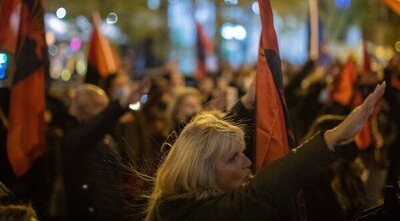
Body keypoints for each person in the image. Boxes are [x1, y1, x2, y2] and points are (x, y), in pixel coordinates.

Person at [145, 82, 386, 220]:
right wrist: (331, 138)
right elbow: (261, 192)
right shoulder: (185, 214)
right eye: (233, 158)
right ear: (201, 171)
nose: (248, 161)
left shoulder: (182, 202)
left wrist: (246, 104)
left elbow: (211, 144)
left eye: (242, 152)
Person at [62, 78, 150, 220]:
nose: (105, 109)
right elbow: (97, 126)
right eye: (99, 105)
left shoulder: (105, 135)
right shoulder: (74, 138)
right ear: (84, 109)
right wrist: (121, 105)